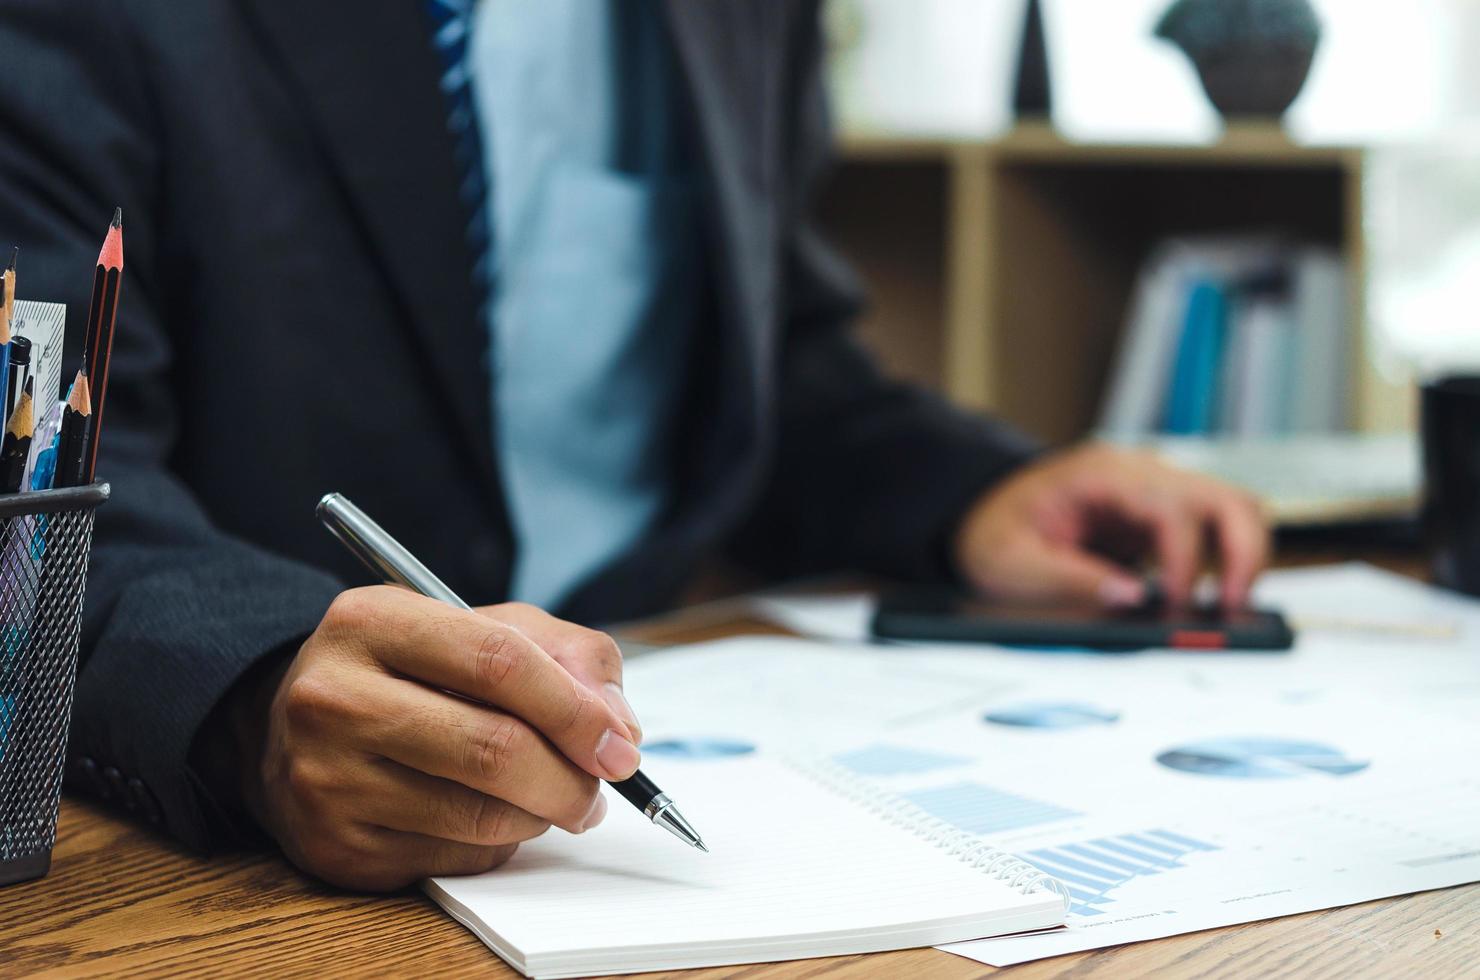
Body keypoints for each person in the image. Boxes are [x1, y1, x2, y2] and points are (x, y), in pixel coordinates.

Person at [0, 0, 1266, 890]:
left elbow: (770, 362)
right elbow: (39, 469)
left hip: (661, 711)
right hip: (240, 845)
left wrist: (975, 490)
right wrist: (256, 682)